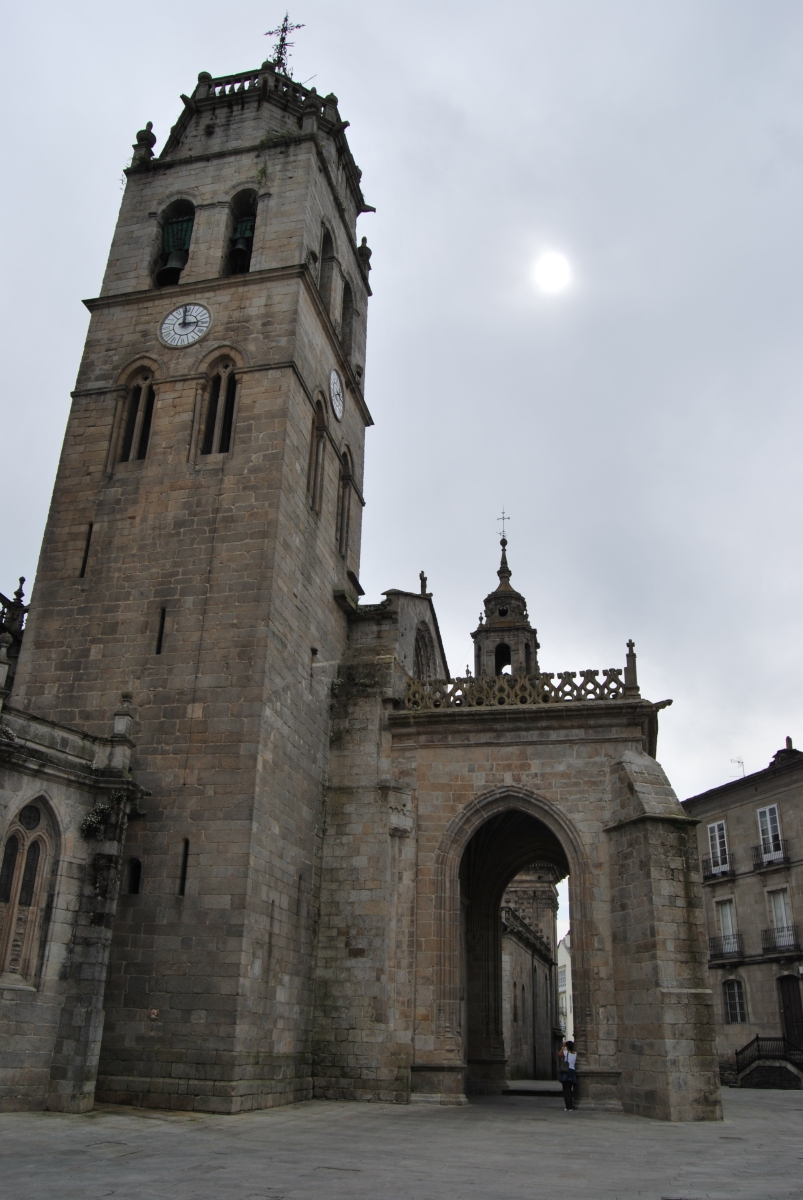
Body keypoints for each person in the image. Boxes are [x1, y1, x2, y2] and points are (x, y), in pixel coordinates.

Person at [558, 1039, 577, 1111]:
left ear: (567, 1047)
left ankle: (568, 1106)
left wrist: (563, 1047)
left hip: (566, 1071)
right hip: (572, 1072)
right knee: (569, 1088)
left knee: (566, 1090)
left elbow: (559, 1054)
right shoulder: (575, 1053)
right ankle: (570, 1105)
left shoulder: (566, 1053)